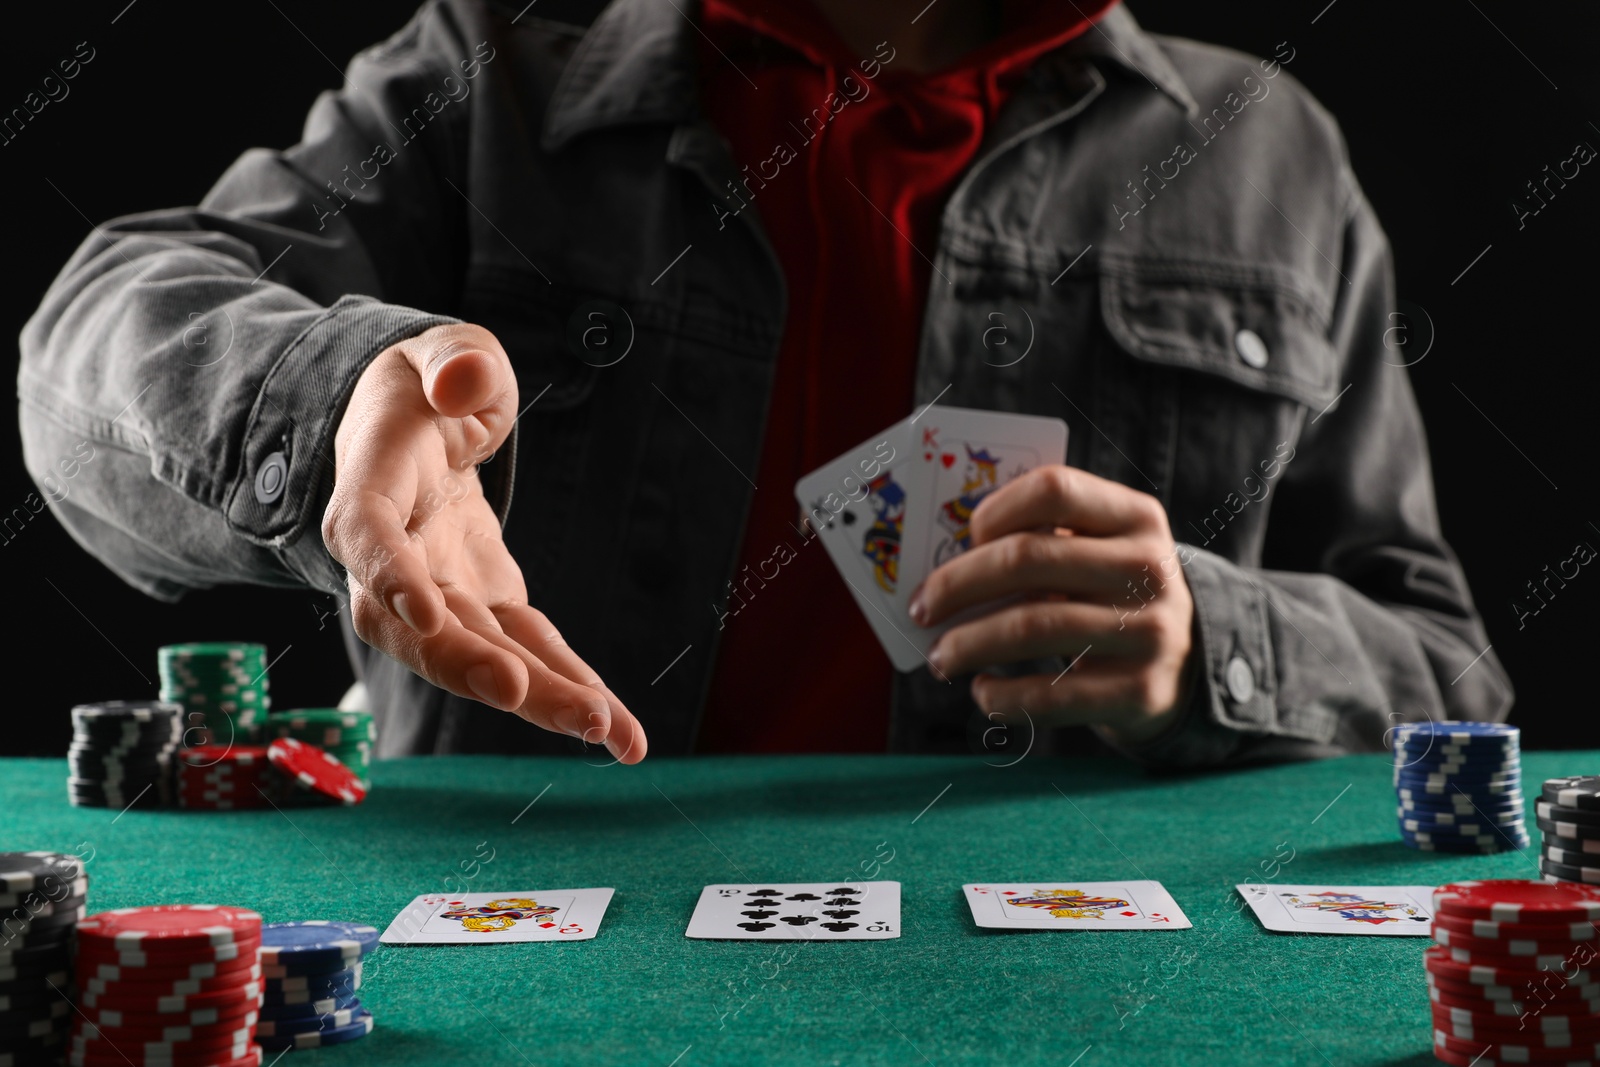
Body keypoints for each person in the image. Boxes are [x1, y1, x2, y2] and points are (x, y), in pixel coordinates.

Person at [18, 0, 1511, 768]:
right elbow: (86, 342)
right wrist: (334, 395)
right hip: (538, 964)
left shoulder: (1267, 149)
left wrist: (1216, 644)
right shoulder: (491, 71)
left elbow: (1452, 673)